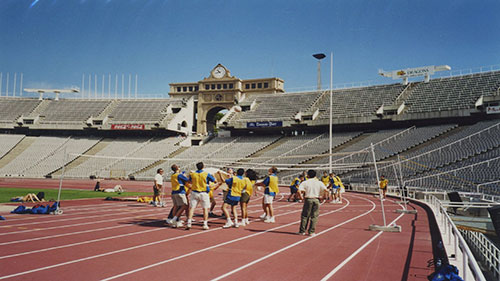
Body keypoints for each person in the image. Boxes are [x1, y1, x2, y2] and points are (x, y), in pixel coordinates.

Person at [186, 162, 217, 230]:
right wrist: (213, 175)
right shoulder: (206, 174)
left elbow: (189, 181)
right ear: (203, 166)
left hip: (194, 192)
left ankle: (189, 222)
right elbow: (215, 181)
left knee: (192, 208)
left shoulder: (193, 174)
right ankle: (205, 224)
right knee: (205, 209)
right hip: (203, 193)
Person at [297, 169, 327, 236]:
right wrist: (323, 197)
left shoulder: (305, 182)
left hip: (308, 199)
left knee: (305, 216)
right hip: (316, 199)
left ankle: (302, 231)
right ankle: (311, 232)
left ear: (308, 175)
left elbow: (299, 191)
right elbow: (326, 190)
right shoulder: (319, 182)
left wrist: (301, 198)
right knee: (314, 216)